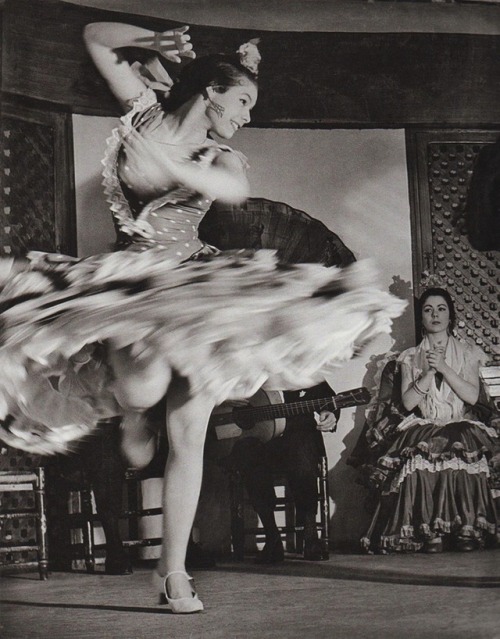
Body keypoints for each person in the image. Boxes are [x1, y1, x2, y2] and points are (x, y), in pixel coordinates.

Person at [0, 21, 405, 614]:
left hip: (192, 291)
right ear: (210, 91)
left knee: (190, 435)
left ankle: (174, 575)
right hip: (132, 288)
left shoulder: (222, 156)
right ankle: (136, 419)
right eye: (242, 100)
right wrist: (156, 42)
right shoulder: (142, 112)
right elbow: (94, 36)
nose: (245, 115)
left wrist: (181, 169)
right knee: (141, 393)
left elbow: (231, 192)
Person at [361, 287, 499, 554]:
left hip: (460, 421)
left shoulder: (468, 353)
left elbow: (471, 396)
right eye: (428, 310)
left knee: (463, 452)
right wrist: (428, 372)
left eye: (441, 309)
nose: (434, 314)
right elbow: (409, 403)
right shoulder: (409, 357)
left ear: (450, 317)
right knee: (418, 462)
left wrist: (445, 368)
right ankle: (428, 532)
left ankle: (466, 530)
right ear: (422, 319)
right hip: (425, 424)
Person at [224, 381, 338, 563]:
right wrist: (224, 396)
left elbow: (327, 397)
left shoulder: (302, 364)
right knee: (246, 451)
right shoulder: (245, 365)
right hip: (262, 443)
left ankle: (310, 535)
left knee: (301, 449)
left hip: (299, 439)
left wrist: (330, 413)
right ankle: (272, 538)